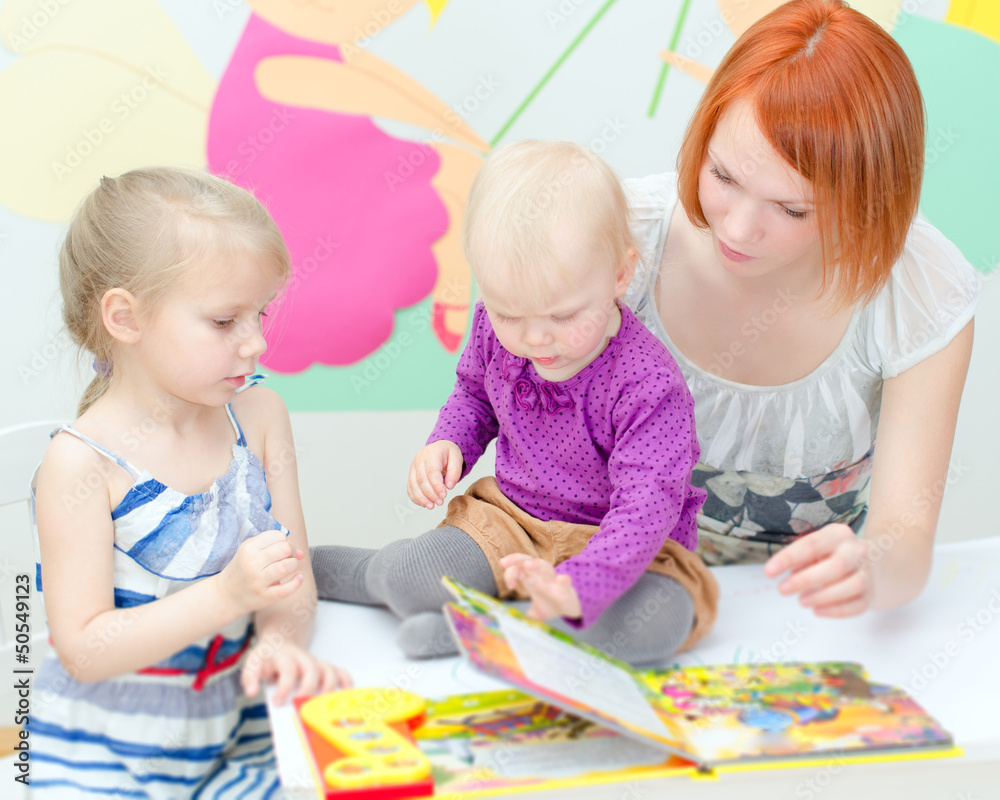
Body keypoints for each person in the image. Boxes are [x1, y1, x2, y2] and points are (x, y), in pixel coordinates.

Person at [625, 0, 977, 618]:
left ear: (868, 199)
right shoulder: (624, 239)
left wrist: (873, 570)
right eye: (723, 175)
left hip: (794, 628)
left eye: (792, 210)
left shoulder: (915, 289)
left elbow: (904, 540)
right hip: (613, 591)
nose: (736, 227)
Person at [313, 140, 718, 664]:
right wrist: (448, 442)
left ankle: (487, 633)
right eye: (509, 313)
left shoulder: (648, 385)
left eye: (563, 317)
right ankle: (366, 574)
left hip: (622, 545)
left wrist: (580, 585)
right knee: (415, 576)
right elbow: (474, 394)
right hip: (515, 519)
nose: (535, 340)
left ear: (620, 275)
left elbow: (647, 507)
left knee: (652, 626)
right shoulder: (494, 327)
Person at [28, 167, 350, 798]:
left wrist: (275, 644)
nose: (256, 342)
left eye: (261, 313)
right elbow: (84, 649)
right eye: (225, 321)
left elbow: (293, 579)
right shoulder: (80, 466)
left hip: (232, 736)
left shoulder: (258, 418)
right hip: (103, 764)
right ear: (126, 317)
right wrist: (226, 598)